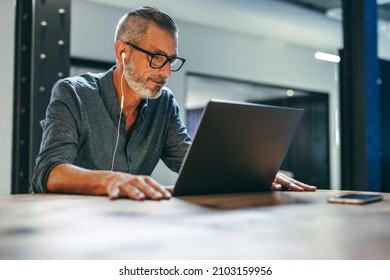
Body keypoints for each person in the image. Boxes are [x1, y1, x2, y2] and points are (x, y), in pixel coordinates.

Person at [32, 6, 316, 201]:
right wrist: (111, 180)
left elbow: (190, 160)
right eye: (156, 57)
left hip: (127, 228)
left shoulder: (163, 103)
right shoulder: (73, 93)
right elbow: (49, 172)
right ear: (123, 53)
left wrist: (252, 174)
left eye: (171, 60)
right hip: (70, 227)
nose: (166, 72)